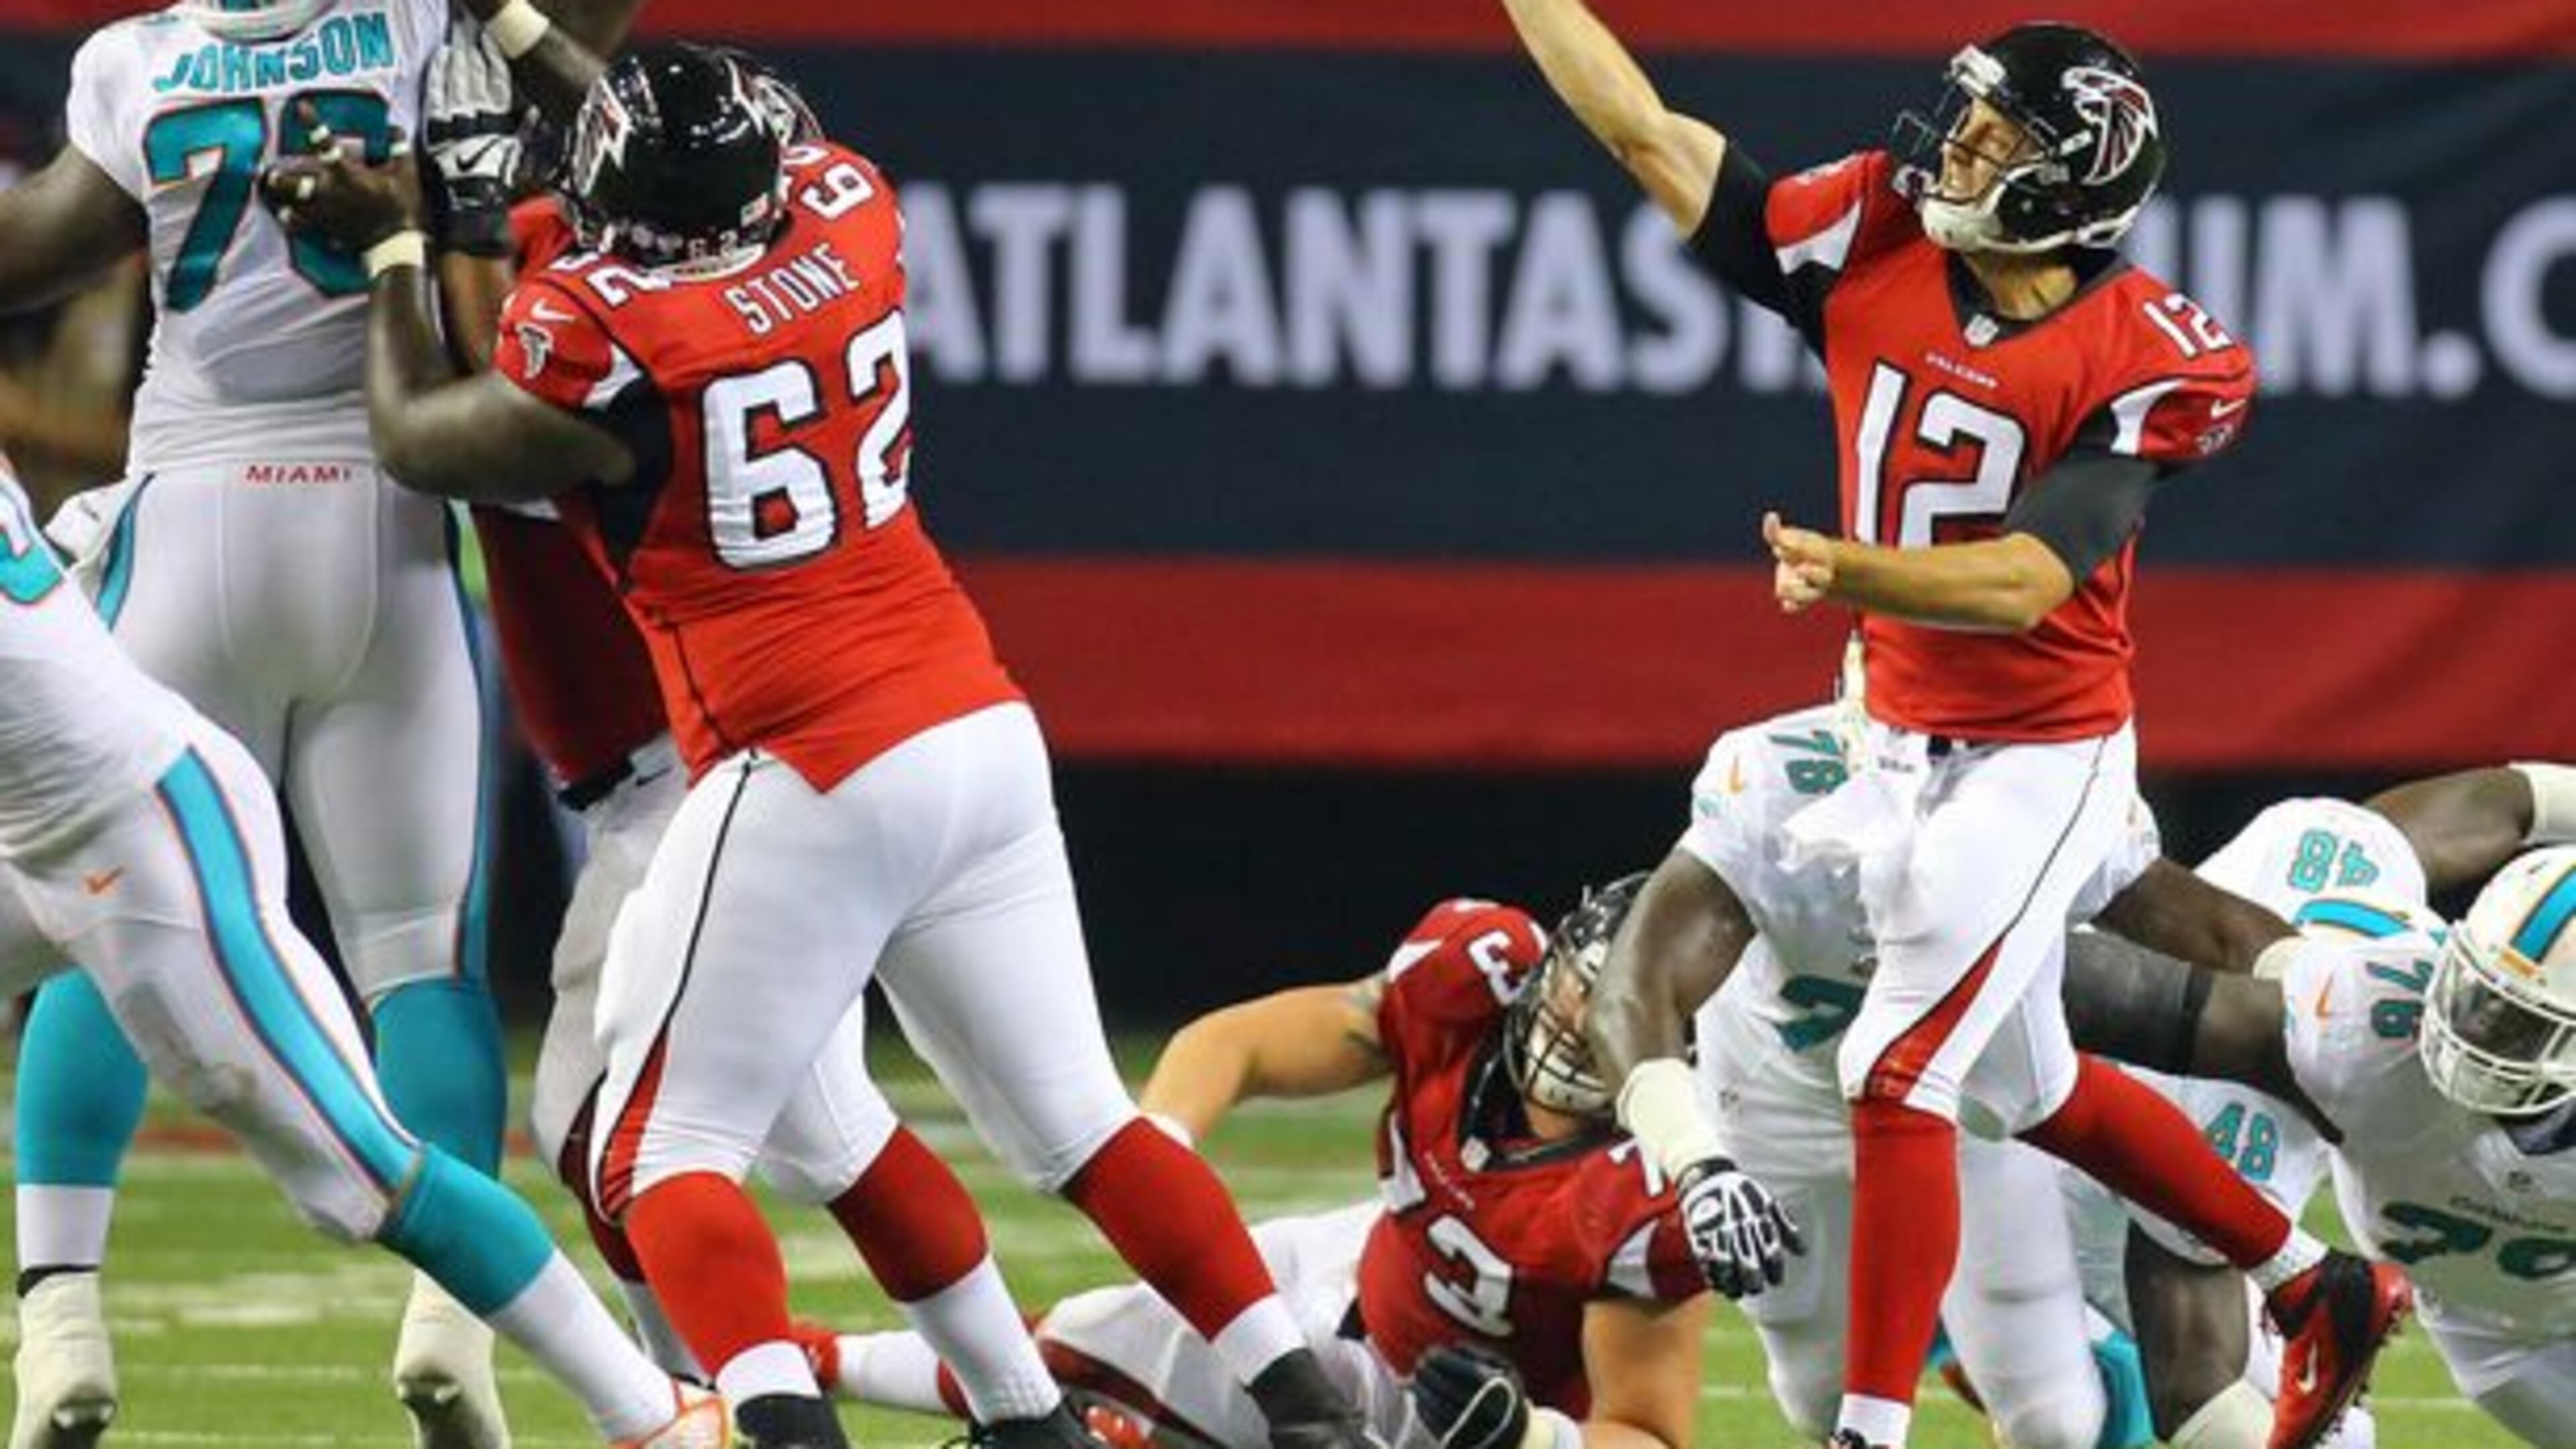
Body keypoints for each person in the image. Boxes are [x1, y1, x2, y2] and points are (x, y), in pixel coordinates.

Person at [266, 42, 1379, 1449]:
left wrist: (397, 252)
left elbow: (427, 436)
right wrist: (547, 60)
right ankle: (1300, 1403)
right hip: (974, 723)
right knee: (1084, 1126)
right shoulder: (851, 212)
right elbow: (726, 159)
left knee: (650, 1151)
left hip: (805, 761)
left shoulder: (607, 333)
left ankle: (783, 1429)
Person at [1494, 7, 2408, 1445]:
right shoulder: (1873, 237)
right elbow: (1647, 134)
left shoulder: (2147, 350)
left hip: (2045, 751)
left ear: (2068, 183)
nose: (1958, 143)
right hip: (1900, 733)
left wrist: (1851, 571)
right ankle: (2310, 1284)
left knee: (1896, 1068)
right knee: (2028, 1079)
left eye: (1998, 132)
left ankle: (1869, 1431)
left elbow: (2026, 580)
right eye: (1968, 111)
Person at [417, 34, 1110, 1419]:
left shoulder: (582, 306)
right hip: (778, 735)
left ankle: (722, 1406)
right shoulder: (780, 236)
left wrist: (413, 237)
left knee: (622, 1132)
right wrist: (506, 58)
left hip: (722, 756)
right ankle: (1013, 1406)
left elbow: (450, 394)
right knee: (829, 1130)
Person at [0, 1, 631, 1439]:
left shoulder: (139, 59)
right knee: (422, 958)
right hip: (383, 522)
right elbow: (596, 77)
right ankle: (452, 1331)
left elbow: (34, 249)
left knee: (115, 901)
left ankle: (62, 1315)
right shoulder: (422, 23)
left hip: (190, 523)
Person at [0, 447, 724, 1449]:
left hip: (140, 836)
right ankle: (71, 1322)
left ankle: (658, 1419)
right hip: (343, 565)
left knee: (359, 1172)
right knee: (421, 954)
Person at [824, 885, 1709, 1449]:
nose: (1589, 1022)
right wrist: (1156, 1158)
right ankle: (787, 1366)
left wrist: (1527, 1436)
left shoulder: (1650, 1187)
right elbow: (1235, 1046)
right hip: (1356, 1262)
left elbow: (1647, 1434)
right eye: (1586, 987)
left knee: (1137, 1373)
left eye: (1630, 1011)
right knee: (1078, 1341)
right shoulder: (1471, 982)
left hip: (1450, 1417)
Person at [2060, 762, 2576, 1448]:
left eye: (2520, 1027)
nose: (2476, 1034)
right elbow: (2158, 1005)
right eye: (2477, 998)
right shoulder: (2361, 1024)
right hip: (2492, 1326)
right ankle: (2086, 1353)